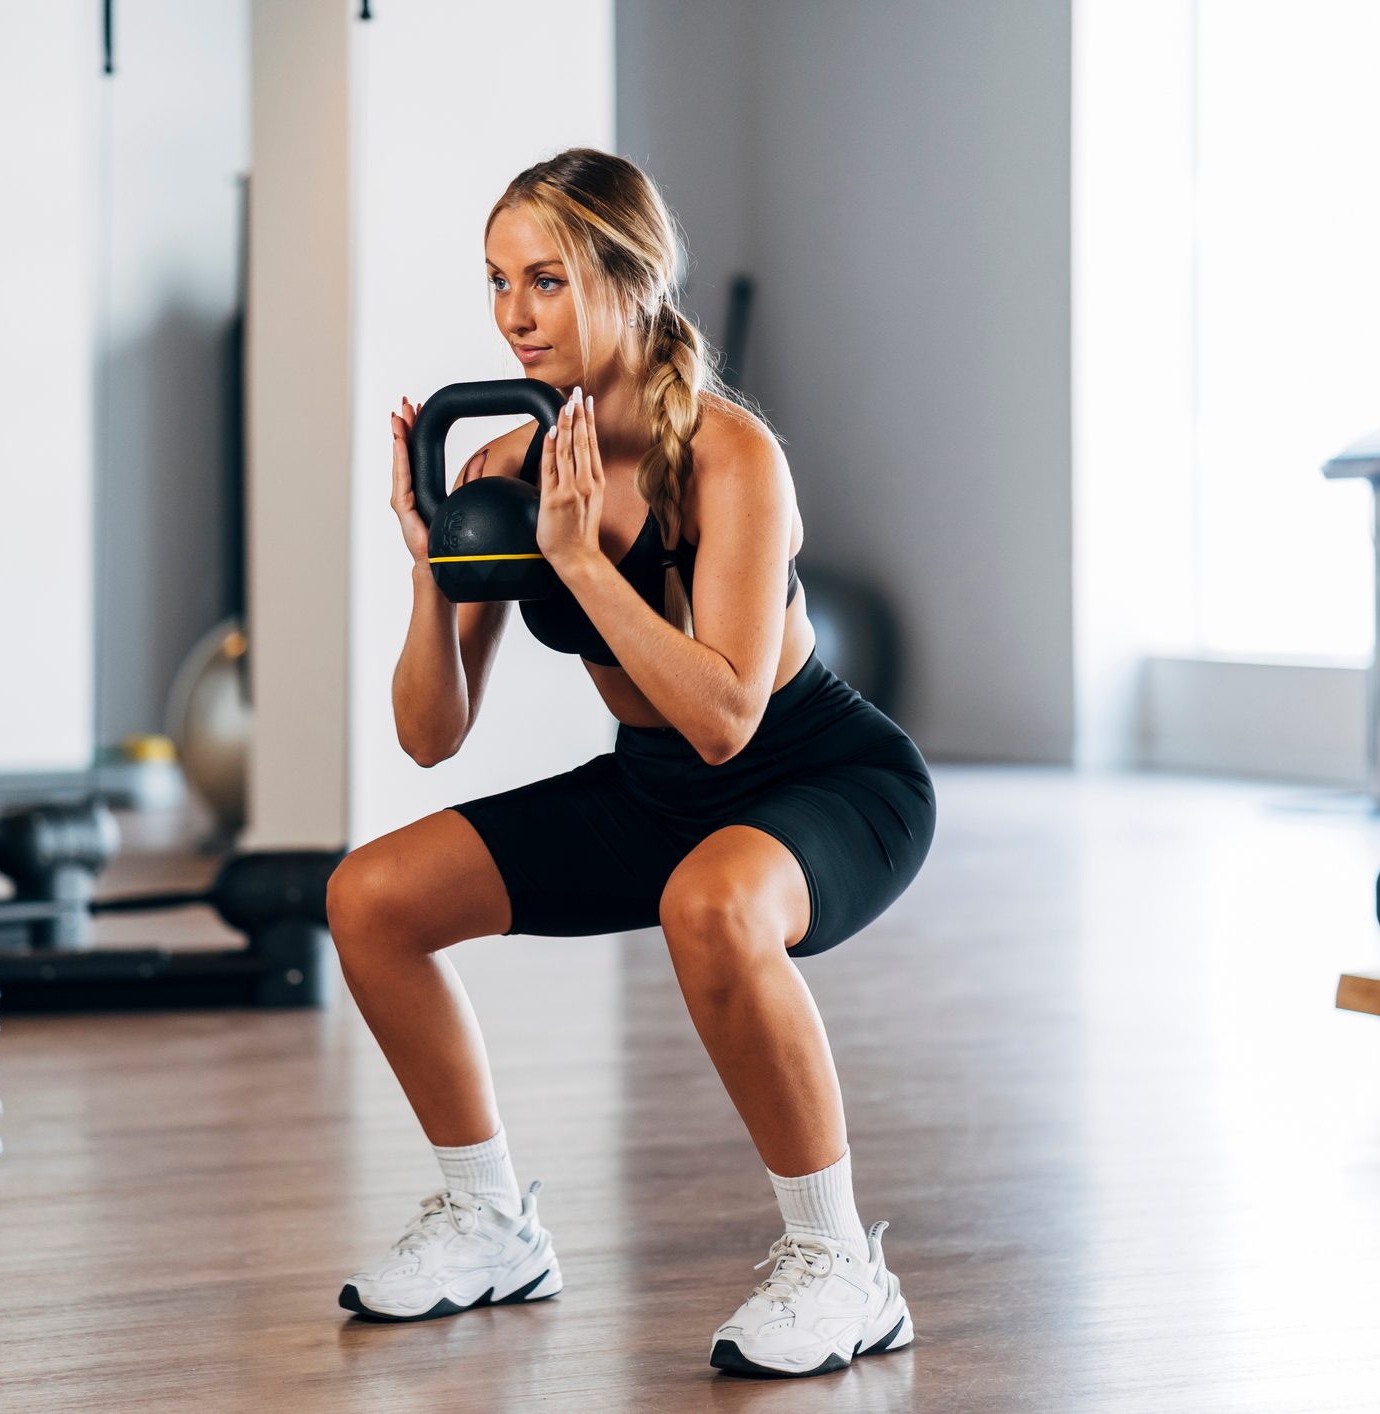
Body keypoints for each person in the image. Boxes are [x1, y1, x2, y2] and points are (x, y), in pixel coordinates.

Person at [325, 148, 936, 1379]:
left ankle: (841, 1269)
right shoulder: (508, 466)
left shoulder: (731, 458)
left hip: (821, 778)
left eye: (546, 280)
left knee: (708, 900)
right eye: (498, 282)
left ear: (632, 278)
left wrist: (586, 563)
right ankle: (489, 1220)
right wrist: (433, 571)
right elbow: (430, 733)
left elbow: (725, 719)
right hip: (658, 791)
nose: (513, 315)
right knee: (369, 898)